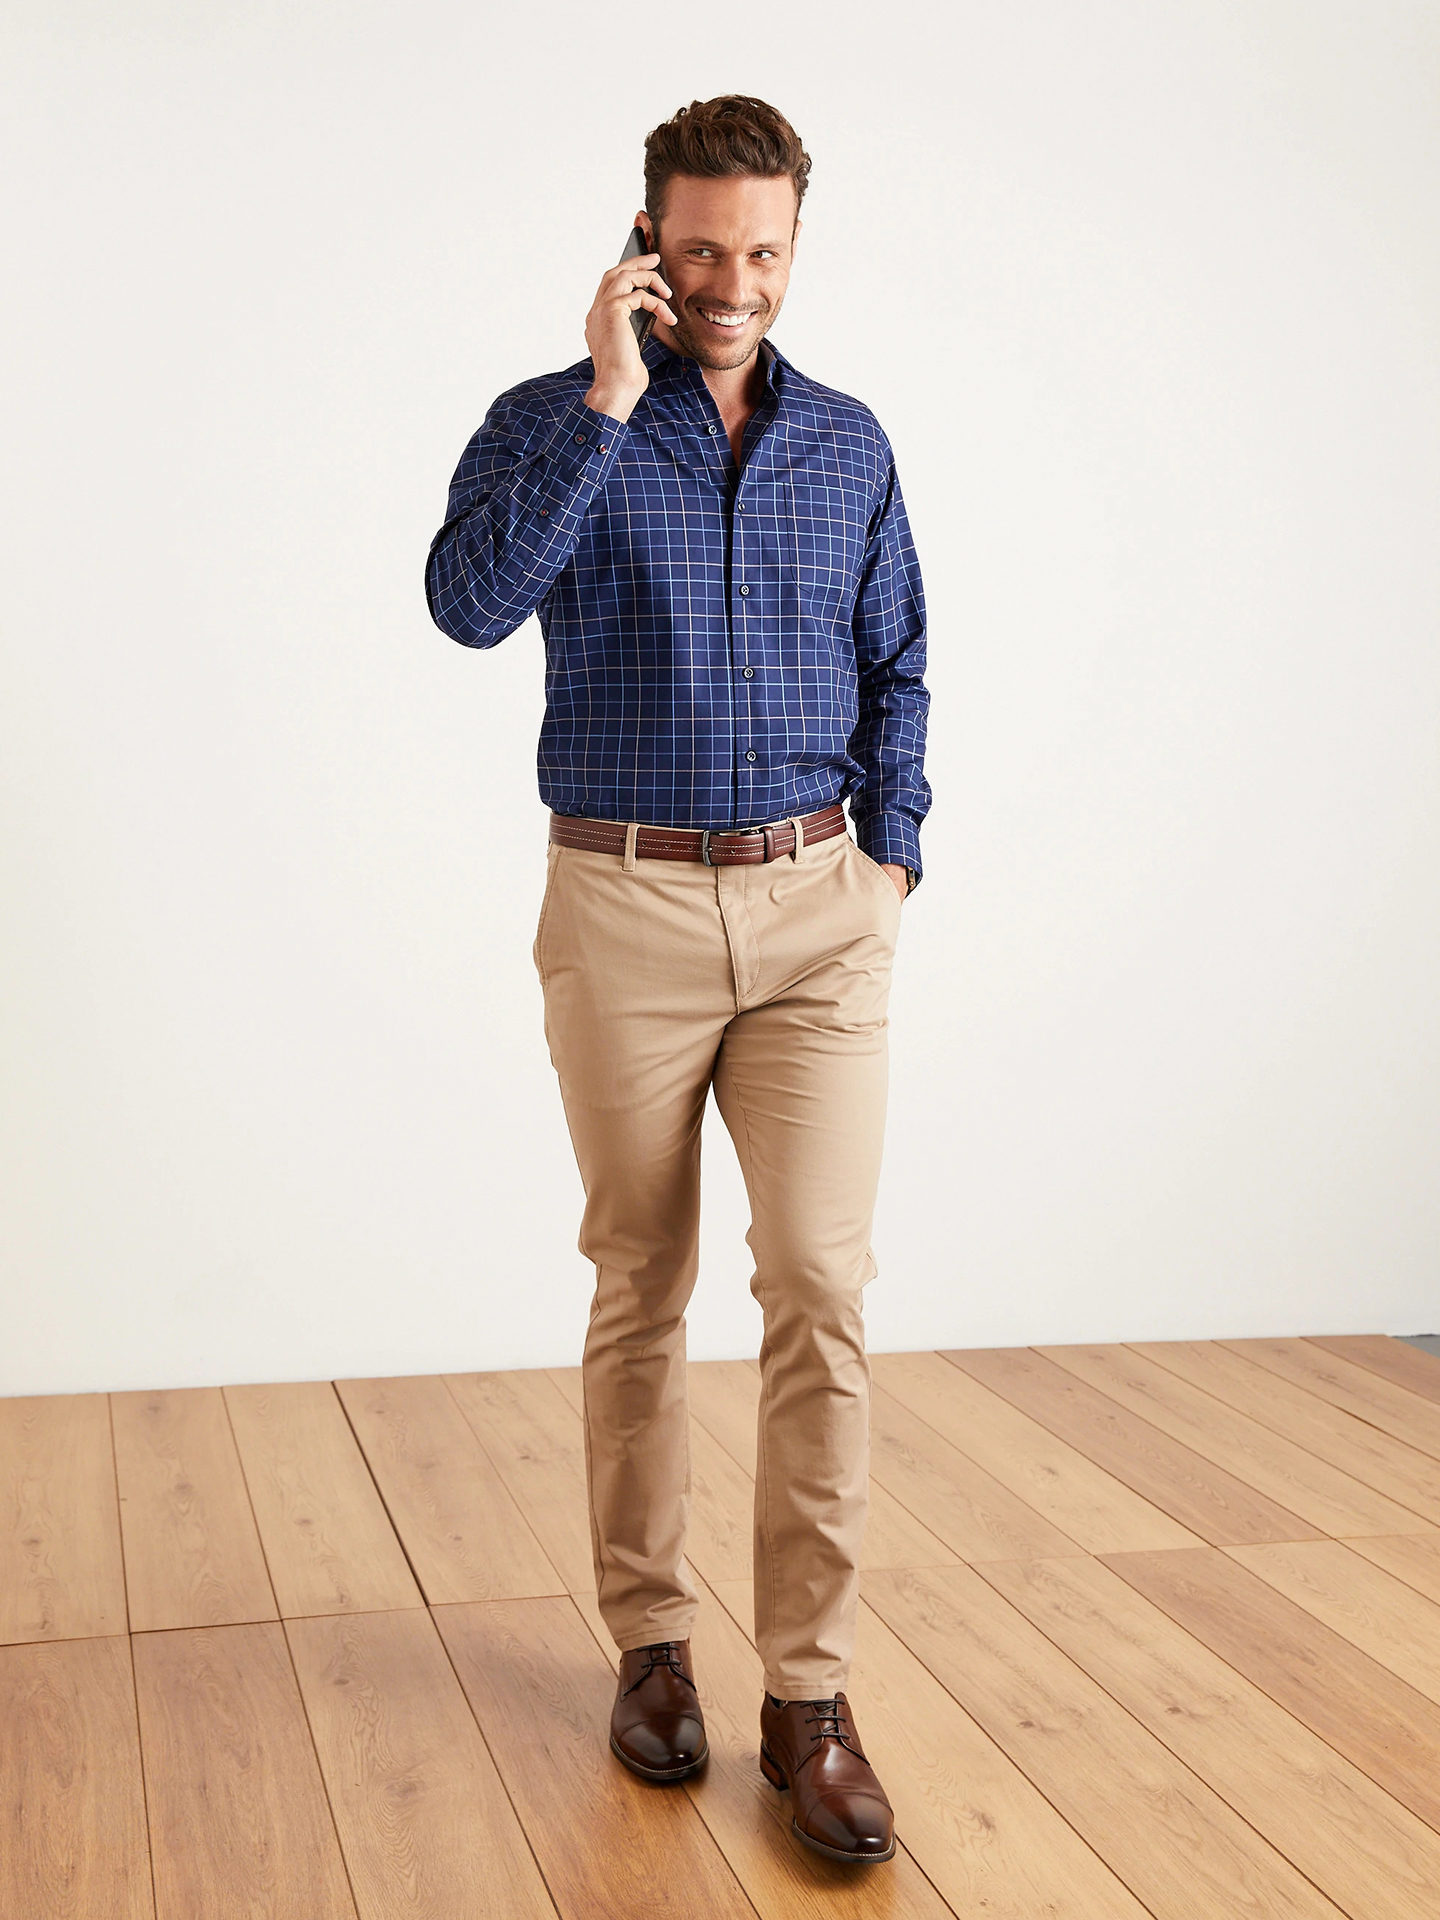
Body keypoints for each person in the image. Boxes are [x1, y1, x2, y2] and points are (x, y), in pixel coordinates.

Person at [425, 94, 930, 1866]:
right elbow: (469, 606)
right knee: (641, 1278)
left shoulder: (850, 445)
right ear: (647, 240)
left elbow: (902, 662)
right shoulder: (551, 422)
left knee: (819, 1286)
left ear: (800, 246)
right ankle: (652, 1648)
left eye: (767, 251)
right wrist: (606, 400)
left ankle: (812, 1696)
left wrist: (896, 851)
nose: (737, 284)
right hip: (623, 906)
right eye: (704, 250)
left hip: (814, 916)